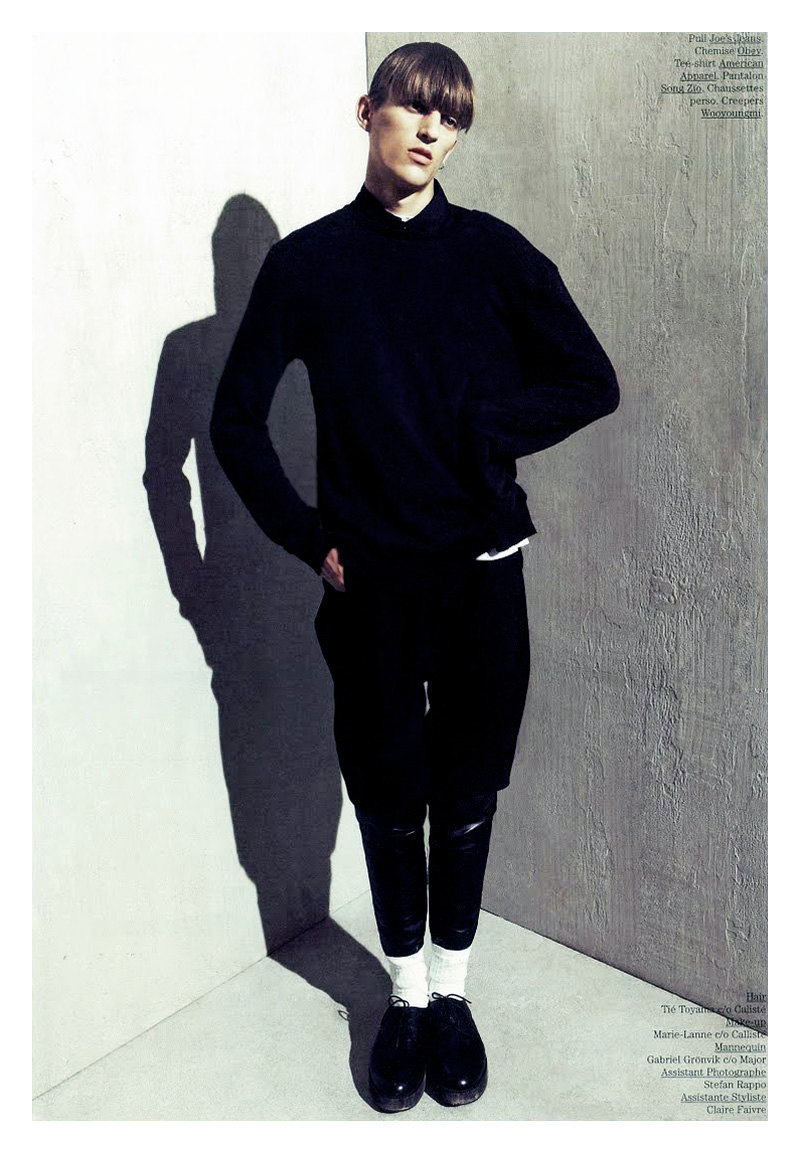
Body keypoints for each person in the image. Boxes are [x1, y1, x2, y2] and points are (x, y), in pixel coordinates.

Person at [210, 41, 619, 1112]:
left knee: (468, 792)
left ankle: (452, 999)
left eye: (452, 116)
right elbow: (232, 422)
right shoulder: (307, 265)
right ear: (368, 112)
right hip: (374, 585)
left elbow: (589, 378)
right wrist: (307, 536)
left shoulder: (492, 254)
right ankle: (400, 1002)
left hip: (481, 573)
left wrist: (486, 426)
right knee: (389, 798)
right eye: (413, 107)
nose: (433, 129)